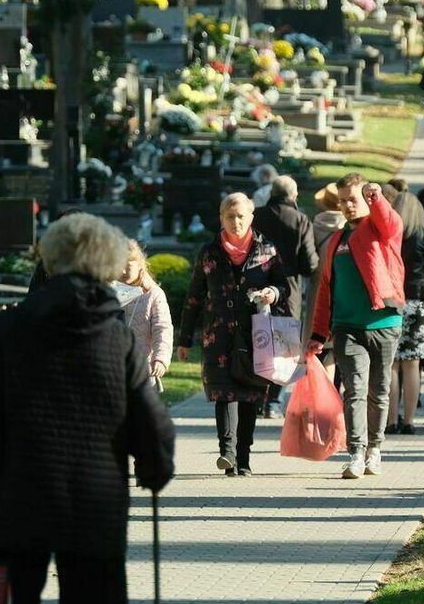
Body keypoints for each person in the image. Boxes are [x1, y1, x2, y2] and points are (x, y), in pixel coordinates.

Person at [0, 213, 176, 604]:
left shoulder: (9, 329)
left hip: (17, 497)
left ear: (50, 259)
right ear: (106, 263)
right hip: (95, 502)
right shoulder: (118, 338)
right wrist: (156, 465)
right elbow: (148, 419)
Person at [178, 193, 289, 477]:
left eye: (241, 216)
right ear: (221, 218)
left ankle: (244, 457)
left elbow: (283, 286)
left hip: (256, 334)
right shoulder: (209, 252)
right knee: (224, 392)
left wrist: (272, 293)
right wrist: (185, 339)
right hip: (218, 335)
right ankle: (227, 453)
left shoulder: (267, 250)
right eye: (230, 216)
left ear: (251, 217)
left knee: (251, 394)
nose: (236, 221)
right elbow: (194, 297)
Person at [307, 174, 405, 479]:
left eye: (353, 199)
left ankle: (375, 449)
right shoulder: (336, 241)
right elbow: (325, 290)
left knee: (379, 390)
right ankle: (356, 453)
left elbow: (390, 221)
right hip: (347, 326)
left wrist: (375, 196)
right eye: (343, 200)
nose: (348, 205)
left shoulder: (380, 230)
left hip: (384, 322)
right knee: (354, 390)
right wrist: (317, 333)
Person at [253, 176, 319, 418]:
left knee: (258, 341)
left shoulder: (255, 216)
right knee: (285, 347)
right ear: (294, 195)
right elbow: (309, 262)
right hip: (288, 288)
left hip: (256, 285)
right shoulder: (299, 219)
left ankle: (258, 397)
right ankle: (273, 401)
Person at [386, 193, 424, 435]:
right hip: (417, 300)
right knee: (413, 363)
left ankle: (390, 420)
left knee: (392, 363)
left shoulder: (388, 236)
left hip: (392, 300)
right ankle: (409, 420)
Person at [303, 184, 348, 381]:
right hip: (342, 290)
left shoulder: (314, 226)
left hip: (318, 290)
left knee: (321, 348)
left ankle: (324, 396)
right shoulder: (348, 228)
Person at [120, 240, 173, 379]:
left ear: (139, 265)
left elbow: (163, 329)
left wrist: (160, 359)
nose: (122, 271)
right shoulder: (106, 292)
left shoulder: (154, 294)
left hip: (143, 369)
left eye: (128, 266)